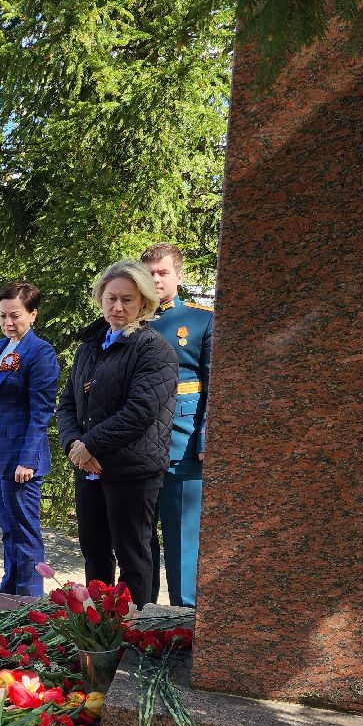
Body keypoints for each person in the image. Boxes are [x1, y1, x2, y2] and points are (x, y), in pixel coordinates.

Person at [56, 260, 178, 607]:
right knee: (94, 552)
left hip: (132, 470)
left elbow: (140, 411)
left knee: (133, 555)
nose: (118, 307)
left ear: (144, 302)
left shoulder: (154, 349)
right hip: (88, 467)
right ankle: (96, 628)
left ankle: (136, 628)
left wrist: (88, 444)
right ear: (100, 298)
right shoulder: (90, 346)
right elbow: (67, 405)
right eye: (111, 298)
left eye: (128, 299)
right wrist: (73, 446)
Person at [0, 281, 61, 596]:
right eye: (2, 316)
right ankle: (9, 592)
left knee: (25, 531)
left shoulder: (40, 352)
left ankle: (29, 599)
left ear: (33, 314)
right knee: (9, 529)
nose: (8, 322)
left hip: (22, 459)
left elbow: (41, 412)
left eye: (16, 315)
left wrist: (27, 459)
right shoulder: (0, 347)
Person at [143, 242, 213, 607]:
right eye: (150, 272)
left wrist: (206, 439)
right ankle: (141, 618)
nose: (155, 279)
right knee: (139, 545)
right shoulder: (128, 322)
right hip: (136, 451)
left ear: (179, 276)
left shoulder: (202, 321)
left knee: (183, 542)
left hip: (182, 448)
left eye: (163, 272)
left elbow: (217, 387)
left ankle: (184, 623)